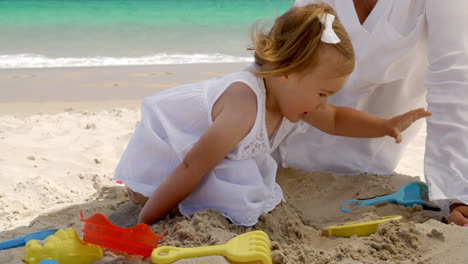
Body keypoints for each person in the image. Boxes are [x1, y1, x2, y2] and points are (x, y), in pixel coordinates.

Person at [114, 3, 430, 226]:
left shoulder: (289, 97)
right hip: (165, 168)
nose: (322, 103)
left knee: (246, 187)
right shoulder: (244, 105)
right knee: (232, 193)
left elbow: (335, 119)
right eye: (322, 93)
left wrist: (386, 125)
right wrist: (146, 220)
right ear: (286, 72)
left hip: (206, 159)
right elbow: (191, 165)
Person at [289, 0, 468, 226]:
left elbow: (452, 78)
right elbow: (288, 59)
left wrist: (457, 195)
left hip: (364, 168)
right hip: (278, 152)